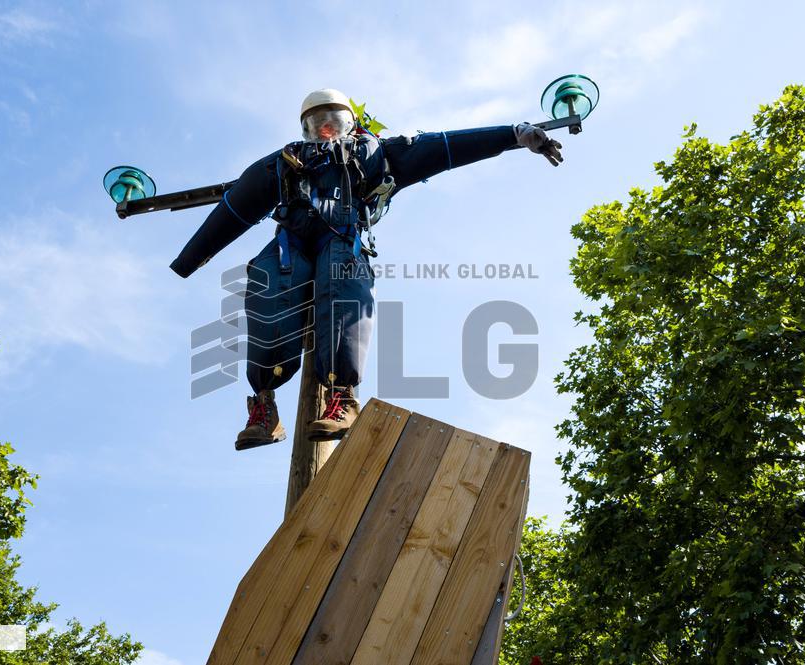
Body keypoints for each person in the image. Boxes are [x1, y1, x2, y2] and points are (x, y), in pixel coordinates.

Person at [169, 89, 563, 450]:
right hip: (292, 242)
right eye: (317, 123)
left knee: (342, 286)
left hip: (342, 238)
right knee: (267, 285)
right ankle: (264, 407)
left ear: (349, 123)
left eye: (334, 121)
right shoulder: (286, 162)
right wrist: (188, 261)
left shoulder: (375, 154)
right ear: (306, 128)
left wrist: (514, 134)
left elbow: (445, 146)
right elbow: (235, 207)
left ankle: (342, 397)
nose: (326, 129)